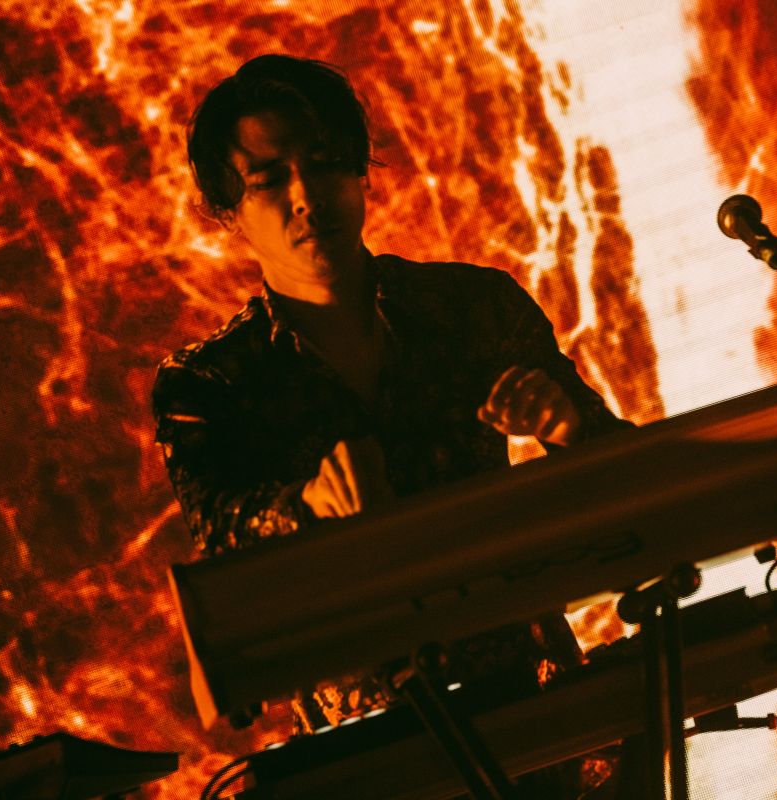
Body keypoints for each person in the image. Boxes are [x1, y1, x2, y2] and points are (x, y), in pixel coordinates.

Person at [152, 54, 630, 743]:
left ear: (360, 172)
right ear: (230, 213)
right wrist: (306, 505)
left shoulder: (474, 307)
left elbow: (636, 478)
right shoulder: (210, 383)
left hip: (535, 703)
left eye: (325, 164)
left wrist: (571, 432)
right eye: (269, 180)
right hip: (365, 746)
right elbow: (220, 543)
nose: (307, 196)